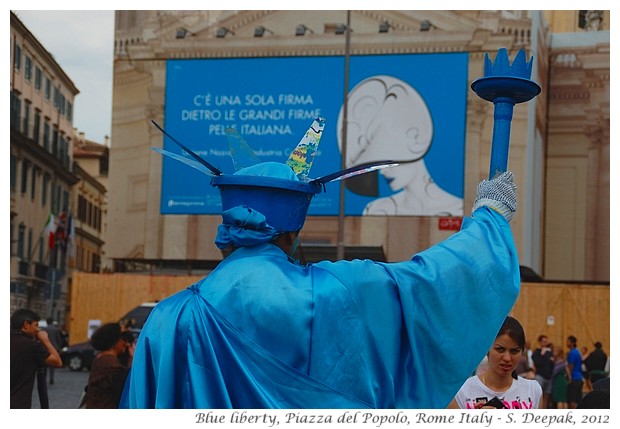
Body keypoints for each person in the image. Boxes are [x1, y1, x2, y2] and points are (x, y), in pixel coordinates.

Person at [120, 118, 520, 408]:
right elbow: (426, 284)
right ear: (293, 233)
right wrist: (489, 220)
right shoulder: (334, 291)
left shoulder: (167, 320)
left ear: (226, 229)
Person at [336, 76, 463, 216]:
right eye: (376, 164)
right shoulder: (376, 210)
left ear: (415, 139)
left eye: (388, 161)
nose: (382, 171)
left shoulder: (459, 209)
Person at [448, 316, 542, 409]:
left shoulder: (533, 391)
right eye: (500, 349)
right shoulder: (461, 392)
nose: (507, 358)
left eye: (514, 351)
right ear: (487, 349)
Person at [10, 308, 63, 408]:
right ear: (26, 325)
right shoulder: (31, 346)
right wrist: (45, 340)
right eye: (36, 325)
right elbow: (57, 362)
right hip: (18, 403)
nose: (38, 330)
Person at [85, 322, 135, 408]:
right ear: (115, 341)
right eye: (124, 339)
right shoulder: (111, 364)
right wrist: (133, 358)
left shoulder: (101, 358)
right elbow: (125, 390)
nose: (127, 344)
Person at [531, 334, 555, 409]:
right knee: (539, 395)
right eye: (544, 341)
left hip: (548, 376)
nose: (545, 343)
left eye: (546, 341)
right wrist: (542, 354)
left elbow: (552, 364)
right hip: (540, 375)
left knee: (546, 396)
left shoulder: (549, 352)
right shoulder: (536, 352)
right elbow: (537, 363)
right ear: (540, 342)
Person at [42, 317, 66, 385]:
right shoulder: (56, 329)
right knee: (52, 365)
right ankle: (51, 378)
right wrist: (59, 348)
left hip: (45, 348)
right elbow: (58, 339)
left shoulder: (44, 329)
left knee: (45, 364)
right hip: (54, 348)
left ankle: (44, 378)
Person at [566, 335, 583, 408]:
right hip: (579, 377)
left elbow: (571, 366)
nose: (566, 343)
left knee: (572, 399)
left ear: (572, 343)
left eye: (568, 342)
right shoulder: (577, 352)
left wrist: (569, 377)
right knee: (577, 399)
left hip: (574, 378)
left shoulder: (572, 353)